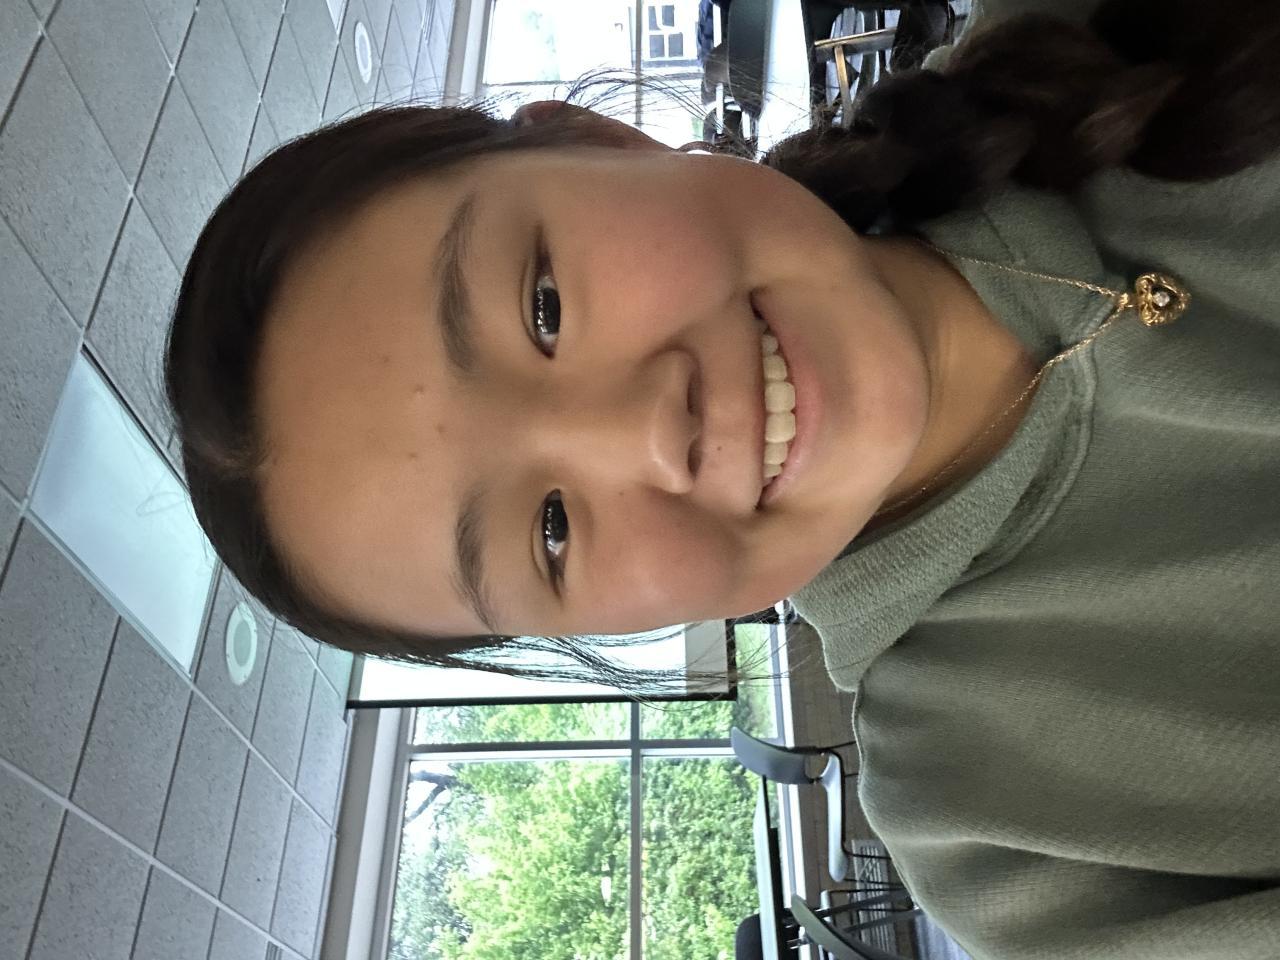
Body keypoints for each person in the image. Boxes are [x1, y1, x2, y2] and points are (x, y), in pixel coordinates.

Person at [162, 0, 1280, 956]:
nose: (651, 434)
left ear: (598, 138)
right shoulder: (1009, 838)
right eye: (549, 531)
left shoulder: (1080, 27)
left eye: (543, 308)